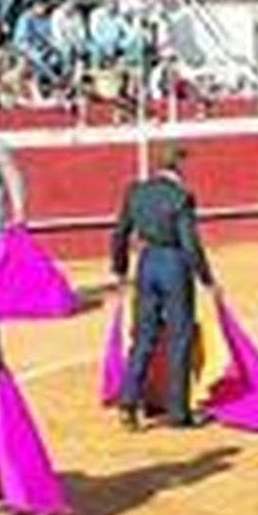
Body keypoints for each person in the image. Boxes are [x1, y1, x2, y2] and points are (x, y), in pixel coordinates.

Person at [110, 145, 218, 431]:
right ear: (177, 167)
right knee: (179, 337)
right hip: (174, 265)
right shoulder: (180, 197)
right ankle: (178, 412)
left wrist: (120, 270)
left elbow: (120, 234)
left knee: (143, 337)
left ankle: (128, 401)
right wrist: (207, 278)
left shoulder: (136, 192)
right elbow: (190, 244)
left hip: (146, 265)